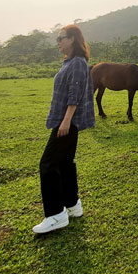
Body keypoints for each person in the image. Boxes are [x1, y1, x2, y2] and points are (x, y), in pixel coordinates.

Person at [33, 24, 96, 234]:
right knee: (65, 163)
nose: (58, 42)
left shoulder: (77, 63)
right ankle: (72, 205)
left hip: (66, 122)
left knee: (48, 165)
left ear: (72, 39)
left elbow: (74, 94)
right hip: (66, 121)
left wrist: (66, 120)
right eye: (57, 39)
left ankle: (55, 215)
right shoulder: (70, 62)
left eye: (61, 38)